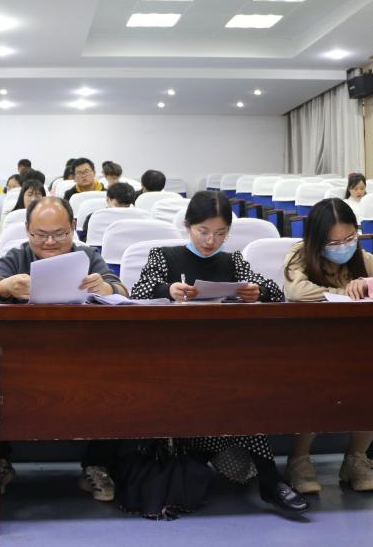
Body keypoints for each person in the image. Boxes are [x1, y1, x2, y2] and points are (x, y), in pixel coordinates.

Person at [127, 191, 307, 516]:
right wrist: (168, 290)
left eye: (221, 233)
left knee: (238, 398)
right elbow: (138, 292)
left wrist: (257, 292)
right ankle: (270, 481)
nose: (211, 241)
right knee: (233, 403)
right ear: (187, 226)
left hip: (222, 365)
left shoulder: (232, 261)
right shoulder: (164, 256)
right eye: (203, 231)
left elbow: (274, 291)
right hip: (174, 368)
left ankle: (268, 480)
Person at [0, 197, 126, 500]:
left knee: (120, 377)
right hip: (22, 357)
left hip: (81, 353)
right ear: (27, 230)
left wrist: (106, 288)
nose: (50, 242)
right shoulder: (16, 256)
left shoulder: (86, 256)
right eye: (40, 235)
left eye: (59, 234)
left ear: (73, 227)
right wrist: (3, 287)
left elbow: (121, 290)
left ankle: (96, 465)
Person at [282, 198, 373, 494]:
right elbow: (296, 291)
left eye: (349, 238)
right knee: (315, 379)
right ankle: (298, 460)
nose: (343, 246)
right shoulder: (299, 254)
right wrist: (343, 292)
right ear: (316, 240)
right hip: (310, 346)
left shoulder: (361, 257)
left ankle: (356, 459)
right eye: (333, 242)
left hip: (356, 345)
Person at [0, 179, 46, 243]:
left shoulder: (49, 216)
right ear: (22, 196)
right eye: (29, 195)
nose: (33, 199)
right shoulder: (10, 217)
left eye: (37, 195)